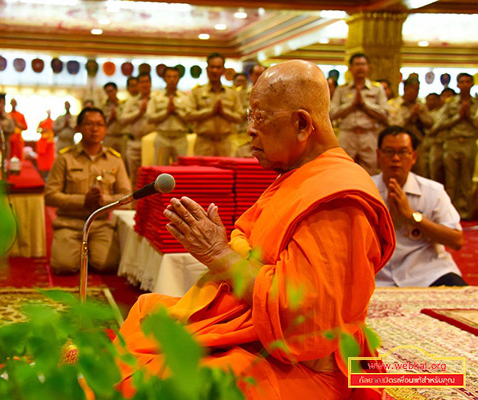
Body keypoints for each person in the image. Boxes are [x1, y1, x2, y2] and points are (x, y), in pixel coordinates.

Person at [117, 60, 396, 400]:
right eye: (249, 117)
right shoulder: (300, 174)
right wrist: (225, 246)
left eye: (258, 117)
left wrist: (218, 254)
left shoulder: (336, 201)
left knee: (159, 384)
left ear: (302, 123)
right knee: (147, 312)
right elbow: (258, 249)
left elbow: (306, 321)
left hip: (299, 364)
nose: (249, 130)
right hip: (256, 331)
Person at [372, 125, 466, 287]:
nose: (395, 158)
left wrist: (411, 216)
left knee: (463, 301)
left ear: (413, 157)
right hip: (379, 273)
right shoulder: (365, 189)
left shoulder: (433, 191)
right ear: (378, 155)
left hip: (427, 271)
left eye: (402, 152)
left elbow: (457, 241)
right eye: (389, 152)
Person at [44, 107, 131, 274]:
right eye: (89, 124)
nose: (94, 129)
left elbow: (127, 197)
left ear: (105, 129)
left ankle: (89, 251)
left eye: (99, 124)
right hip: (70, 223)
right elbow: (50, 196)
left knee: (108, 265)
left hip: (100, 223)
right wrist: (82, 200)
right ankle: (76, 250)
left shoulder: (114, 159)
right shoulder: (65, 158)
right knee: (64, 266)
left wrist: (104, 200)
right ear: (78, 128)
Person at [330, 53, 388, 175]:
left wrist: (364, 105)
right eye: (357, 64)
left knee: (370, 173)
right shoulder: (342, 89)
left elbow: (384, 113)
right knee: (342, 171)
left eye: (363, 64)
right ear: (350, 68)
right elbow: (332, 113)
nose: (360, 67)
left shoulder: (377, 89)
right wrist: (351, 105)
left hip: (369, 135)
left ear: (368, 67)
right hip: (347, 135)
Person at [433, 72, 478, 219]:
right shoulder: (450, 103)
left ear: (472, 84)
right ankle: (449, 212)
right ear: (457, 85)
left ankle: (464, 212)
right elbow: (439, 124)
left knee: (466, 180)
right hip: (452, 143)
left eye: (467, 81)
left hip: (469, 142)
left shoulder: (476, 104)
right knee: (450, 180)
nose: (465, 84)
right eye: (462, 82)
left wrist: (469, 117)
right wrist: (458, 117)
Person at [185, 53, 244, 157]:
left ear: (223, 70)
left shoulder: (232, 93)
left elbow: (239, 117)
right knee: (203, 172)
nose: (215, 71)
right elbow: (188, 115)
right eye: (212, 67)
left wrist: (223, 113)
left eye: (218, 67)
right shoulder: (197, 92)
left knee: (227, 173)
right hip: (203, 143)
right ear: (207, 69)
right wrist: (210, 112)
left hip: (225, 143)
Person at [388, 78, 433, 177]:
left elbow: (430, 124)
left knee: (421, 173)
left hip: (418, 145)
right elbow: (393, 125)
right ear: (405, 89)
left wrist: (420, 115)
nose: (416, 92)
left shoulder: (420, 105)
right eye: (413, 89)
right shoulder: (395, 104)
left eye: (418, 89)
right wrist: (410, 115)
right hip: (398, 146)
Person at [146, 66, 191, 166]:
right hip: (162, 137)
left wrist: (176, 112)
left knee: (182, 169)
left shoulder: (185, 97)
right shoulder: (156, 97)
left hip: (180, 138)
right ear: (164, 78)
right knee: (160, 170)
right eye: (169, 77)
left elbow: (191, 118)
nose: (172, 79)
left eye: (175, 77)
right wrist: (166, 113)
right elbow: (149, 117)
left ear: (179, 78)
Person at [120, 73, 155, 183]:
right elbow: (122, 120)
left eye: (146, 82)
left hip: (151, 143)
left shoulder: (156, 99)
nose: (144, 85)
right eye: (141, 82)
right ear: (138, 85)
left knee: (151, 176)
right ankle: (134, 200)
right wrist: (138, 113)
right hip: (134, 143)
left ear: (150, 83)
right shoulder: (131, 101)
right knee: (133, 177)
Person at [101, 82, 129, 158]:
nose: (110, 94)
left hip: (121, 136)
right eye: (108, 92)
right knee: (108, 159)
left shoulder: (124, 105)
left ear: (116, 91)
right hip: (109, 136)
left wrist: (117, 116)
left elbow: (126, 120)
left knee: (122, 160)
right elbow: (101, 123)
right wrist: (110, 118)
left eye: (111, 91)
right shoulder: (103, 107)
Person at [424, 92, 446, 183]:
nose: (431, 102)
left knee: (435, 172)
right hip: (424, 146)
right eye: (429, 100)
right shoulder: (423, 111)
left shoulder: (442, 113)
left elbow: (433, 129)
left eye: (434, 99)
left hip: (437, 145)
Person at [36, 110, 55, 178]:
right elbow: (38, 130)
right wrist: (43, 130)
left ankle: (49, 177)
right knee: (42, 161)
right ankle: (42, 176)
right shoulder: (42, 122)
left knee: (50, 161)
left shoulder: (53, 122)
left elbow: (56, 131)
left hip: (50, 143)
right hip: (42, 142)